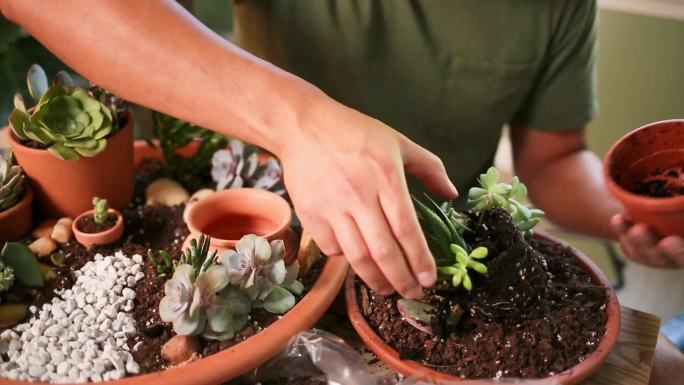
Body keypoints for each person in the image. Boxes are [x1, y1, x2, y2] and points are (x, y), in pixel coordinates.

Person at [1, 1, 682, 383]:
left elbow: (556, 160)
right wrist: (299, 121)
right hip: (295, 251)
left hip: (445, 270)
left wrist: (626, 215)